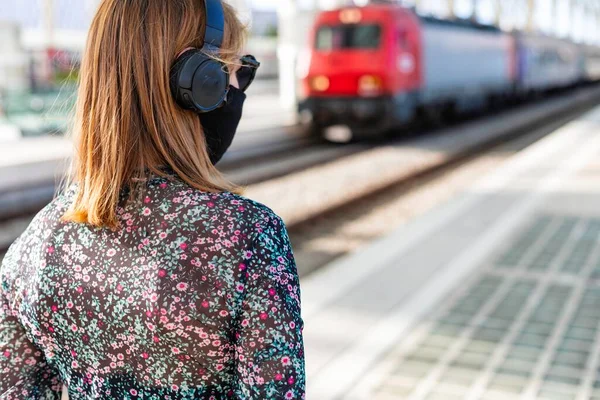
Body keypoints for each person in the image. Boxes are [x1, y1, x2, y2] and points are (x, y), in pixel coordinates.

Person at [0, 0, 305, 399]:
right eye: (237, 72)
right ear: (198, 82)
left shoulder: (34, 246)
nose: (236, 90)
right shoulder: (248, 237)